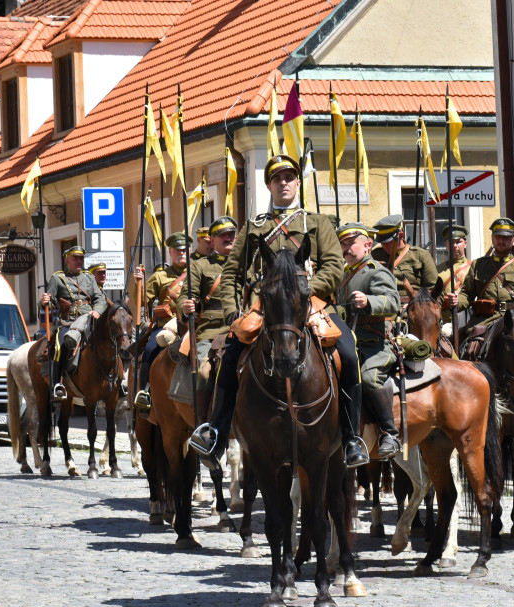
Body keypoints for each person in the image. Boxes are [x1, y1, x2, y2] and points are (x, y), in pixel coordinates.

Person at [188, 155, 370, 470]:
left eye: (289, 177)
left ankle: (352, 437)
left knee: (349, 352)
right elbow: (232, 273)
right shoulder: (256, 226)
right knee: (229, 355)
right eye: (277, 179)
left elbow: (334, 266)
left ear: (298, 183)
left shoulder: (316, 223)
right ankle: (216, 430)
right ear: (270, 185)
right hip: (266, 306)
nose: (283, 183)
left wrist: (305, 290)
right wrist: (233, 313)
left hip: (310, 303)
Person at [336, 222, 402, 459]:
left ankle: (390, 434)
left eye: (350, 243)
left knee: (368, 376)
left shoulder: (376, 271)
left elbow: (393, 302)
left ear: (367, 245)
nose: (345, 248)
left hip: (373, 343)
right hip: (345, 340)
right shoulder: (343, 274)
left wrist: (369, 302)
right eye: (342, 243)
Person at [176, 215, 238, 423]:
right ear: (212, 240)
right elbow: (185, 296)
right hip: (212, 331)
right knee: (204, 371)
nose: (228, 238)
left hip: (244, 327)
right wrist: (186, 307)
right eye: (222, 235)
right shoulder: (200, 266)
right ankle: (204, 425)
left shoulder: (247, 265)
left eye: (231, 234)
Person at [444, 218, 514, 341]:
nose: (500, 241)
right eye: (497, 237)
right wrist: (457, 301)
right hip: (484, 322)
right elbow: (467, 294)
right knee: (469, 351)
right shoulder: (478, 265)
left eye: (505, 238)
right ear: (492, 238)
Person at [131, 231, 191, 411]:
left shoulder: (196, 272)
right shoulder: (159, 277)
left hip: (194, 322)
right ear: (170, 252)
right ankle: (145, 392)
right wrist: (137, 284)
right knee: (150, 350)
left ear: (189, 250)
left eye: (184, 250)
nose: (181, 253)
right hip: (166, 323)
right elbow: (141, 302)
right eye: (177, 250)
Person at [39, 245, 107, 399]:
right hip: (68, 323)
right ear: (67, 260)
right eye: (75, 258)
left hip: (90, 320)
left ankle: (117, 382)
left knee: (112, 339)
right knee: (61, 345)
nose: (79, 261)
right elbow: (48, 304)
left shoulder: (89, 277)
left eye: (81, 258)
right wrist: (45, 301)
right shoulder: (58, 278)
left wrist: (97, 310)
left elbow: (99, 299)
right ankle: (57, 384)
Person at [371, 214, 441, 303]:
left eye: (388, 242)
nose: (384, 245)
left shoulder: (420, 255)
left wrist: (416, 304)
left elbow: (433, 289)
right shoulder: (375, 255)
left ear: (401, 235)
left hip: (413, 308)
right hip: (383, 307)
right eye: (382, 242)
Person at [438, 224, 472, 330]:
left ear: (465, 244)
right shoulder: (437, 270)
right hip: (443, 323)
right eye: (451, 242)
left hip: (469, 322)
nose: (455, 246)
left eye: (458, 242)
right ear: (446, 245)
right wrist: (444, 301)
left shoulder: (474, 268)